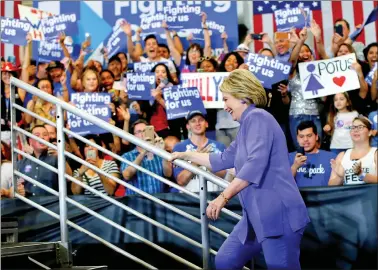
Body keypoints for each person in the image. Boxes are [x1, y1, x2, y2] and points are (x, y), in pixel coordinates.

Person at [171, 69, 310, 269]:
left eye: (227, 99)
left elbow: (255, 164)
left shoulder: (258, 117)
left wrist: (223, 197)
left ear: (243, 96)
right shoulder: (246, 125)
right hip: (255, 216)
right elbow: (223, 159)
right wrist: (186, 154)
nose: (224, 106)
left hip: (278, 214)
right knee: (226, 260)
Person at [173, 111, 226, 192]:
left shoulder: (219, 146)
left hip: (214, 197)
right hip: (189, 197)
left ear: (206, 124)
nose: (197, 123)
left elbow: (223, 175)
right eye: (193, 121)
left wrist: (207, 159)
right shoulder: (179, 147)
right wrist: (197, 159)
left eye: (201, 120)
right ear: (188, 126)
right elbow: (181, 181)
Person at [17, 125, 72, 196]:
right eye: (37, 135)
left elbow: (68, 178)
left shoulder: (56, 157)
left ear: (48, 139)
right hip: (29, 204)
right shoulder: (22, 163)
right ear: (30, 141)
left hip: (52, 204)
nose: (42, 137)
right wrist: (19, 190)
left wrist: (60, 158)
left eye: (45, 135)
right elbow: (18, 184)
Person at [120, 120, 172, 195]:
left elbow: (168, 174)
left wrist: (163, 152)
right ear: (134, 136)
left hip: (159, 202)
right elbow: (127, 175)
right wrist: (143, 151)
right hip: (137, 204)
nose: (143, 134)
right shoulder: (127, 156)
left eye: (145, 131)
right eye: (139, 131)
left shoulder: (158, 153)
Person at [329, 116, 377, 186]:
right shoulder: (342, 155)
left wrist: (361, 174)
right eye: (353, 127)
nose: (355, 130)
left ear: (370, 132)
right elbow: (330, 184)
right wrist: (340, 177)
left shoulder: (375, 153)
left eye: (360, 127)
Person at [289, 121, 336, 187]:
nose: (305, 139)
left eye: (309, 136)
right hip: (299, 197)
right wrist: (295, 166)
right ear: (297, 138)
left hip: (324, 196)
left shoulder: (331, 157)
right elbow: (282, 185)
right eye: (301, 136)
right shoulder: (288, 157)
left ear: (316, 136)